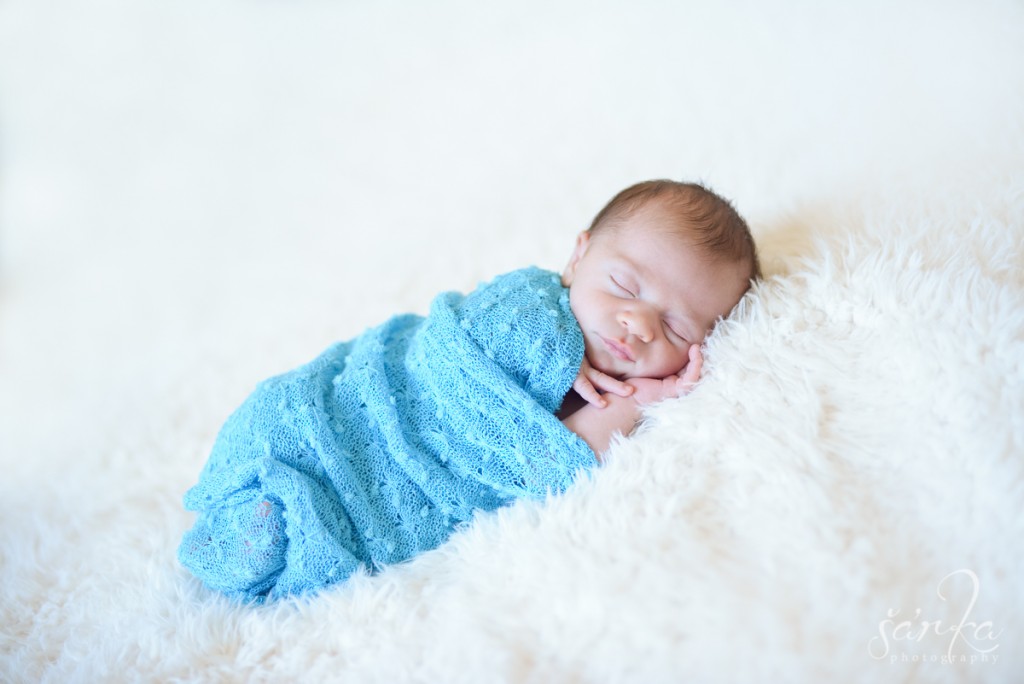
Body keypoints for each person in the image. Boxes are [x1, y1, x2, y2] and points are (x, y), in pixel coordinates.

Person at [178, 180, 760, 602]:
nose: (638, 323)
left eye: (678, 327)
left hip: (394, 482)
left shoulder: (620, 391)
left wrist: (638, 401)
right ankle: (259, 496)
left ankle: (271, 522)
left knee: (307, 524)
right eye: (623, 285)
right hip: (344, 414)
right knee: (296, 453)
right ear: (578, 256)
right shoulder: (524, 306)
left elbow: (552, 462)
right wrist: (551, 358)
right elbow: (445, 371)